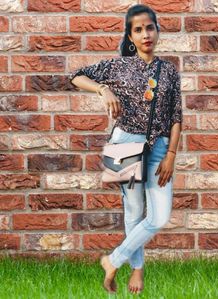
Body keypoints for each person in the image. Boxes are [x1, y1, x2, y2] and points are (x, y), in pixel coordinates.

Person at [69, 4, 183, 295]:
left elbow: (176, 117)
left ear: (157, 30)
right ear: (130, 36)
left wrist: (171, 154)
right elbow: (76, 75)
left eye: (150, 27)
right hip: (124, 144)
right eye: (138, 29)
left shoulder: (168, 70)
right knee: (133, 212)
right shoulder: (117, 66)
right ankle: (137, 272)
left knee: (158, 216)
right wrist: (102, 89)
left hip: (158, 148)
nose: (145, 34)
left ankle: (112, 260)